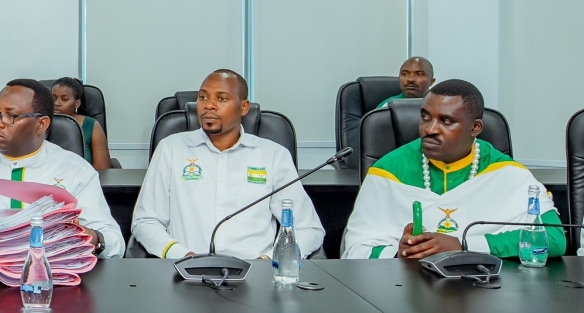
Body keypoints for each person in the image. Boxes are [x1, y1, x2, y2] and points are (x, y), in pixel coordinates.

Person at [343, 79, 566, 260]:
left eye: (446, 121)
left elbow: (553, 238)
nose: (430, 129)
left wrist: (465, 245)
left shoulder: (506, 173)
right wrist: (397, 254)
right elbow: (354, 250)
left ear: (475, 128)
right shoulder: (387, 171)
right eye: (425, 117)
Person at [131, 69, 324, 260]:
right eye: (203, 97)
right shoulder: (171, 149)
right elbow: (146, 221)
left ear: (244, 107)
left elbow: (308, 229)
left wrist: (268, 261)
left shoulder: (273, 156)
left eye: (221, 99)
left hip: (255, 278)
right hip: (185, 273)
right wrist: (181, 255)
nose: (209, 106)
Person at [0, 79, 123, 258]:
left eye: (10, 116)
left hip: (50, 280)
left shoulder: (76, 170)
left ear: (41, 125)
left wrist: (90, 237)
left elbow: (115, 243)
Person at [51, 77, 112, 171]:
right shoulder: (40, 124)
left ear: (77, 103)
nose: (57, 103)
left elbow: (103, 170)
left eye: (64, 99)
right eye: (53, 98)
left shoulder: (91, 125)